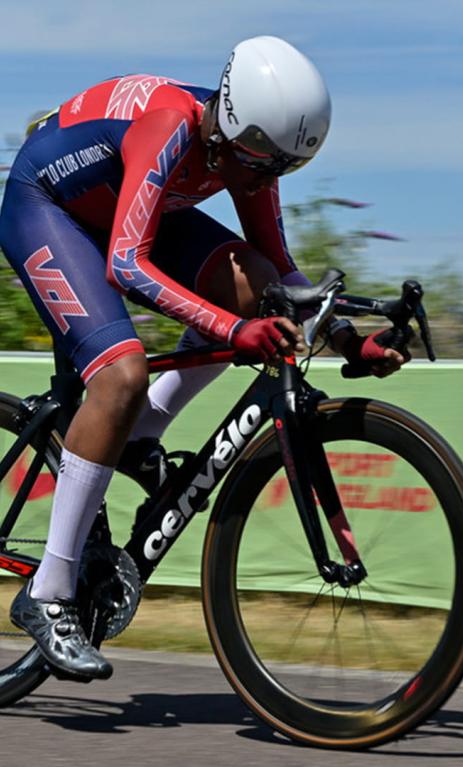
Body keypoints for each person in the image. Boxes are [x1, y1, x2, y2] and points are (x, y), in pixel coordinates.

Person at [0, 36, 407, 681]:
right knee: (122, 374)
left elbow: (283, 281)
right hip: (47, 209)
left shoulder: (247, 151)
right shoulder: (169, 129)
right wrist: (231, 330)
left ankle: (138, 438)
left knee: (258, 288)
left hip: (123, 209)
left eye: (282, 171)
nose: (263, 180)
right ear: (231, 128)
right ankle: (49, 593)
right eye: (259, 163)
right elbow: (126, 265)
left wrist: (352, 339)